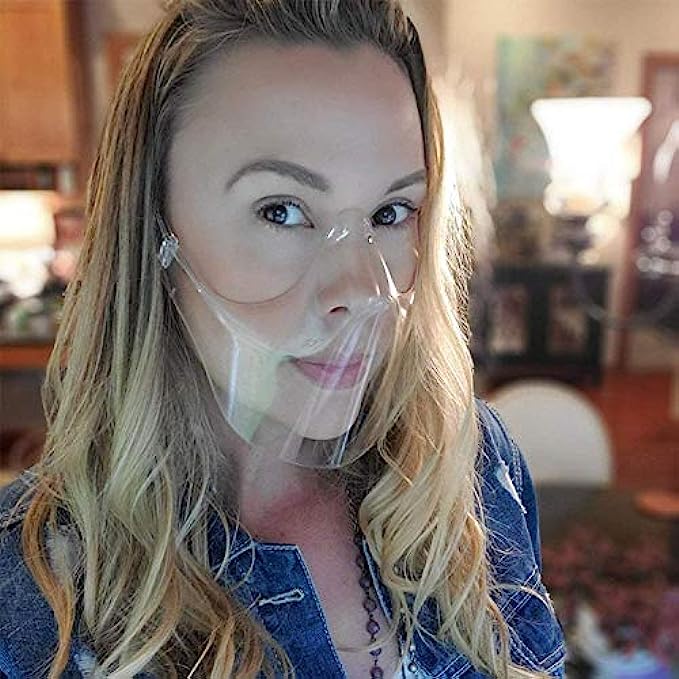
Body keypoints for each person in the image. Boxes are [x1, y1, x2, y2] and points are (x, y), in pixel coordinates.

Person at [0, 1, 566, 677]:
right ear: (153, 224)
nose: (366, 289)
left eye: (391, 212)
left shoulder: (471, 466)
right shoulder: (32, 596)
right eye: (282, 210)